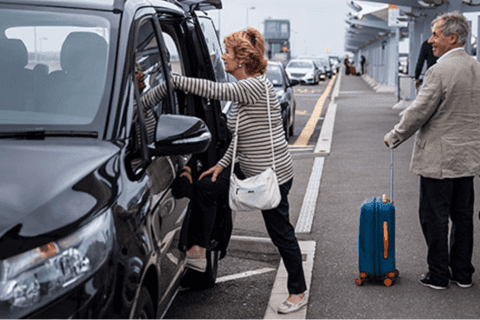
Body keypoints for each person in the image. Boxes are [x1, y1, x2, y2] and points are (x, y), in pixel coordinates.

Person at [142, 27, 308, 314]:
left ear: (241, 60)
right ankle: (199, 251)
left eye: (228, 53)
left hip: (272, 177)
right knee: (206, 188)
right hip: (248, 169)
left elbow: (218, 90)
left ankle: (298, 291)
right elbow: (240, 137)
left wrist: (175, 81)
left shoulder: (254, 86)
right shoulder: (247, 93)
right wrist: (220, 165)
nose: (223, 57)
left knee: (280, 233)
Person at [384, 11, 480, 290]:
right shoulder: (476, 68)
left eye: (436, 35)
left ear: (453, 37)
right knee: (462, 217)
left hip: (439, 160)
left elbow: (418, 112)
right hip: (468, 159)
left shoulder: (439, 71)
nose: (430, 41)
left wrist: (394, 136)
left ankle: (438, 274)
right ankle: (462, 273)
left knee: (434, 217)